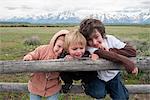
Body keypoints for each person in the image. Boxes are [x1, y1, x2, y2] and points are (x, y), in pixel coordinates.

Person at [79, 18, 138, 100]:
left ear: (102, 34)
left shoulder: (110, 39)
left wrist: (110, 50)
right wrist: (128, 63)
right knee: (98, 93)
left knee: (122, 97)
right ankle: (88, 86)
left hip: (113, 75)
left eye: (96, 37)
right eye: (89, 40)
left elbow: (131, 51)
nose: (95, 42)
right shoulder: (88, 47)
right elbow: (101, 52)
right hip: (98, 76)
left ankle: (110, 88)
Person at [23, 30, 69, 100]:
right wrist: (30, 56)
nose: (60, 51)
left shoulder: (66, 56)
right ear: (54, 42)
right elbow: (34, 54)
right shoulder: (43, 49)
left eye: (64, 49)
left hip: (53, 87)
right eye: (58, 46)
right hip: (36, 85)